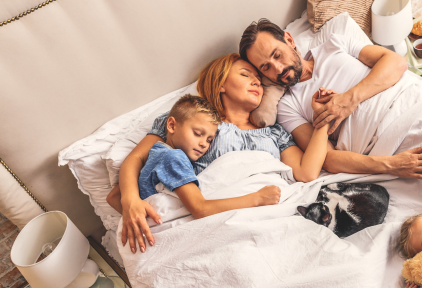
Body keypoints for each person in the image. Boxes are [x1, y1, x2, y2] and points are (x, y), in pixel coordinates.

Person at [111, 54, 332, 253]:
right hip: (217, 214)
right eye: (246, 75)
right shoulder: (194, 121)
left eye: (259, 79)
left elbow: (307, 172)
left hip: (270, 211)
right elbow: (139, 158)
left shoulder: (275, 133)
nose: (256, 81)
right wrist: (130, 199)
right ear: (221, 83)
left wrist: (323, 119)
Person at [240, 19, 422, 179]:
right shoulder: (287, 106)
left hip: (417, 98)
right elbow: (327, 159)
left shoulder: (334, 44)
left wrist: (348, 100)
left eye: (277, 55)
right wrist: (390, 165)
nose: (277, 69)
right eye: (265, 67)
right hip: (389, 141)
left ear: (290, 41)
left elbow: (395, 62)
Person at [106, 93, 285, 222]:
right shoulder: (173, 157)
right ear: (171, 125)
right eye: (197, 133)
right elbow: (200, 209)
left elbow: (113, 197)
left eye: (209, 139)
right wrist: (258, 198)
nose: (204, 144)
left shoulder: (156, 154)